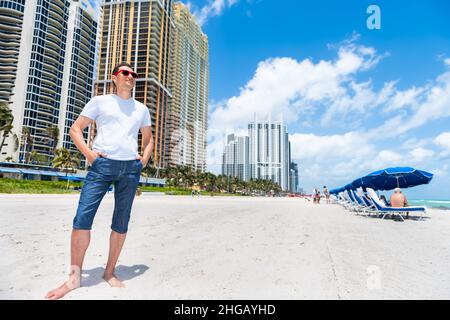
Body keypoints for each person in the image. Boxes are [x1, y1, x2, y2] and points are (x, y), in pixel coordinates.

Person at [46, 62, 154, 300]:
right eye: (125, 73)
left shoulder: (141, 109)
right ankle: (74, 277)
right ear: (114, 78)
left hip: (130, 169)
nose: (130, 76)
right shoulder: (100, 101)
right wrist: (90, 155)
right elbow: (76, 129)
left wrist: (142, 161)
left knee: (121, 221)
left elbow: (148, 138)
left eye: (133, 74)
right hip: (102, 165)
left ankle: (109, 272)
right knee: (82, 218)